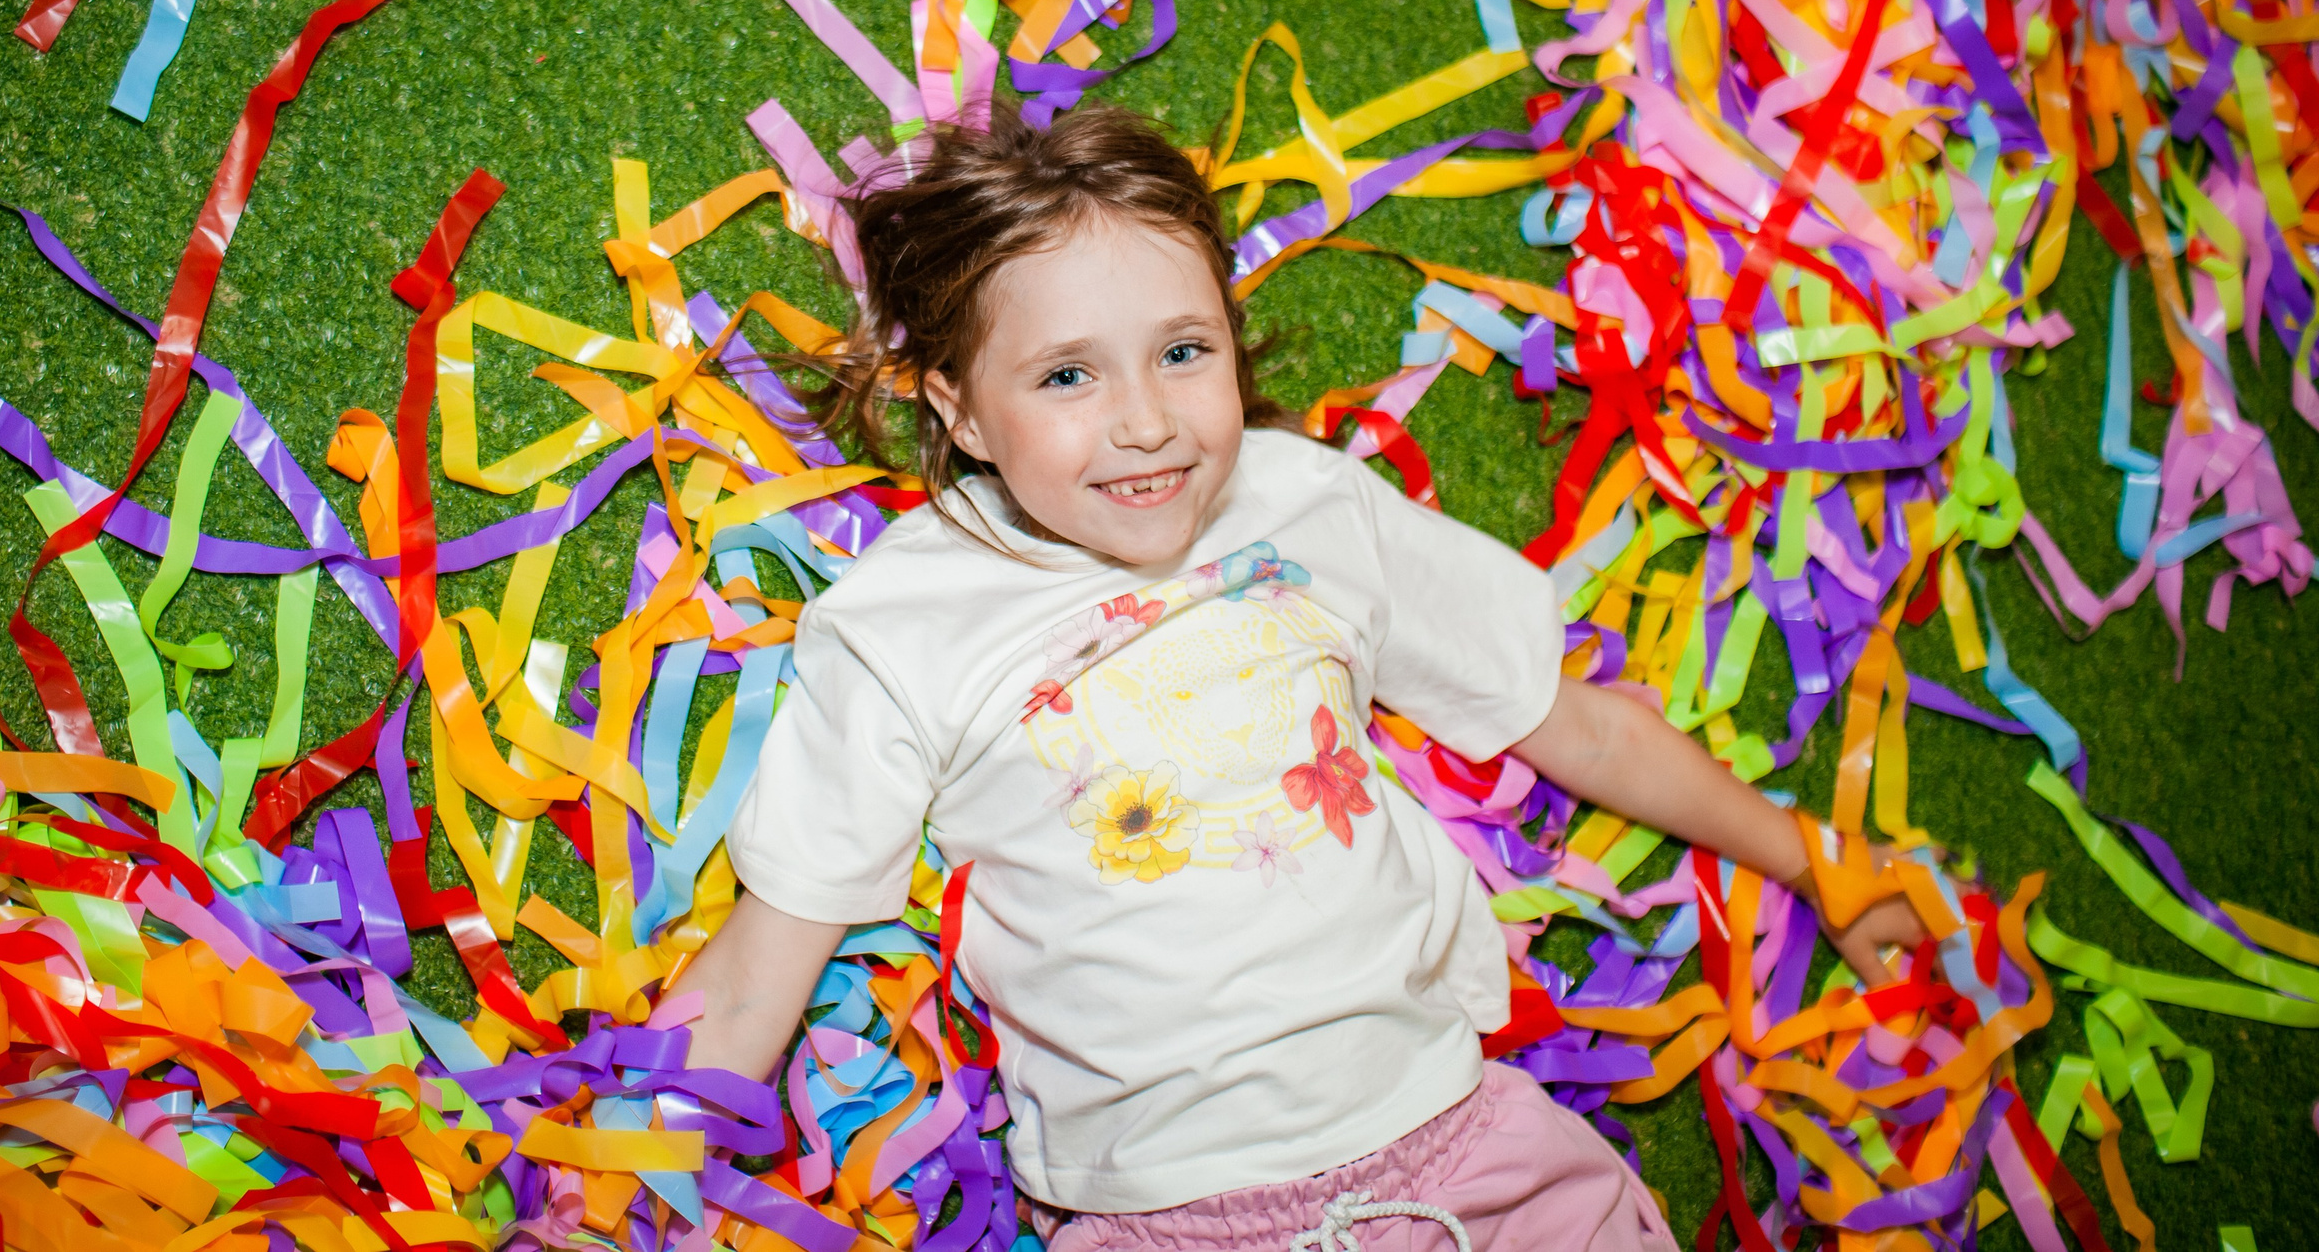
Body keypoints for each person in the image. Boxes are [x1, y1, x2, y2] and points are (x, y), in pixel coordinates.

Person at [676, 107, 1927, 1251]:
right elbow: (754, 973)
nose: (1147, 421)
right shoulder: (906, 620)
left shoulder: (1303, 501)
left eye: (1181, 350)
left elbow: (1574, 728)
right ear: (956, 409)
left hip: (1470, 1162)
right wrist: (609, 1184)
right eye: (1066, 375)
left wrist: (1810, 857)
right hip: (1160, 1216)